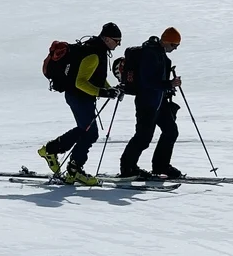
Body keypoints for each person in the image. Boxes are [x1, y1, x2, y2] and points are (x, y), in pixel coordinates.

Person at [37, 22, 124, 185]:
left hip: (79, 97)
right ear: (106, 38)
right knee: (90, 132)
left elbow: (95, 77)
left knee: (85, 130)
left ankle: (51, 151)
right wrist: (104, 92)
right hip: (79, 97)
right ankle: (73, 169)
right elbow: (81, 82)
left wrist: (109, 89)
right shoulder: (94, 53)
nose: (118, 44)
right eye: (116, 40)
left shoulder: (97, 50)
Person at [119, 27, 183, 179]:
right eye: (174, 45)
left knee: (171, 131)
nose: (175, 49)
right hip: (146, 102)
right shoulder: (150, 54)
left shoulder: (161, 55)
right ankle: (127, 168)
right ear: (167, 42)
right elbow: (146, 81)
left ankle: (161, 166)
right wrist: (169, 84)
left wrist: (168, 87)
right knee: (143, 137)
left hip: (159, 102)